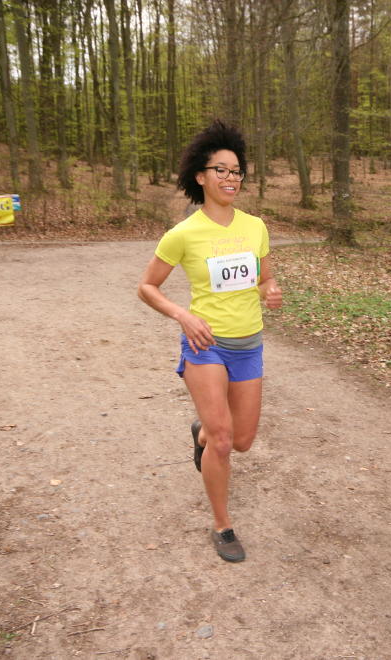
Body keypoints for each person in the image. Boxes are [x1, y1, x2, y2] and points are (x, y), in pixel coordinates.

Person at [137, 120, 283, 562]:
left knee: (242, 440)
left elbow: (264, 278)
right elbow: (147, 286)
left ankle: (201, 432)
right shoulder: (183, 234)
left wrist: (270, 290)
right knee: (223, 440)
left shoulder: (255, 227)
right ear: (200, 176)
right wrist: (183, 316)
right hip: (206, 345)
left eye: (236, 171)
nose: (230, 178)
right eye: (221, 170)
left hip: (248, 344)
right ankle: (222, 525)